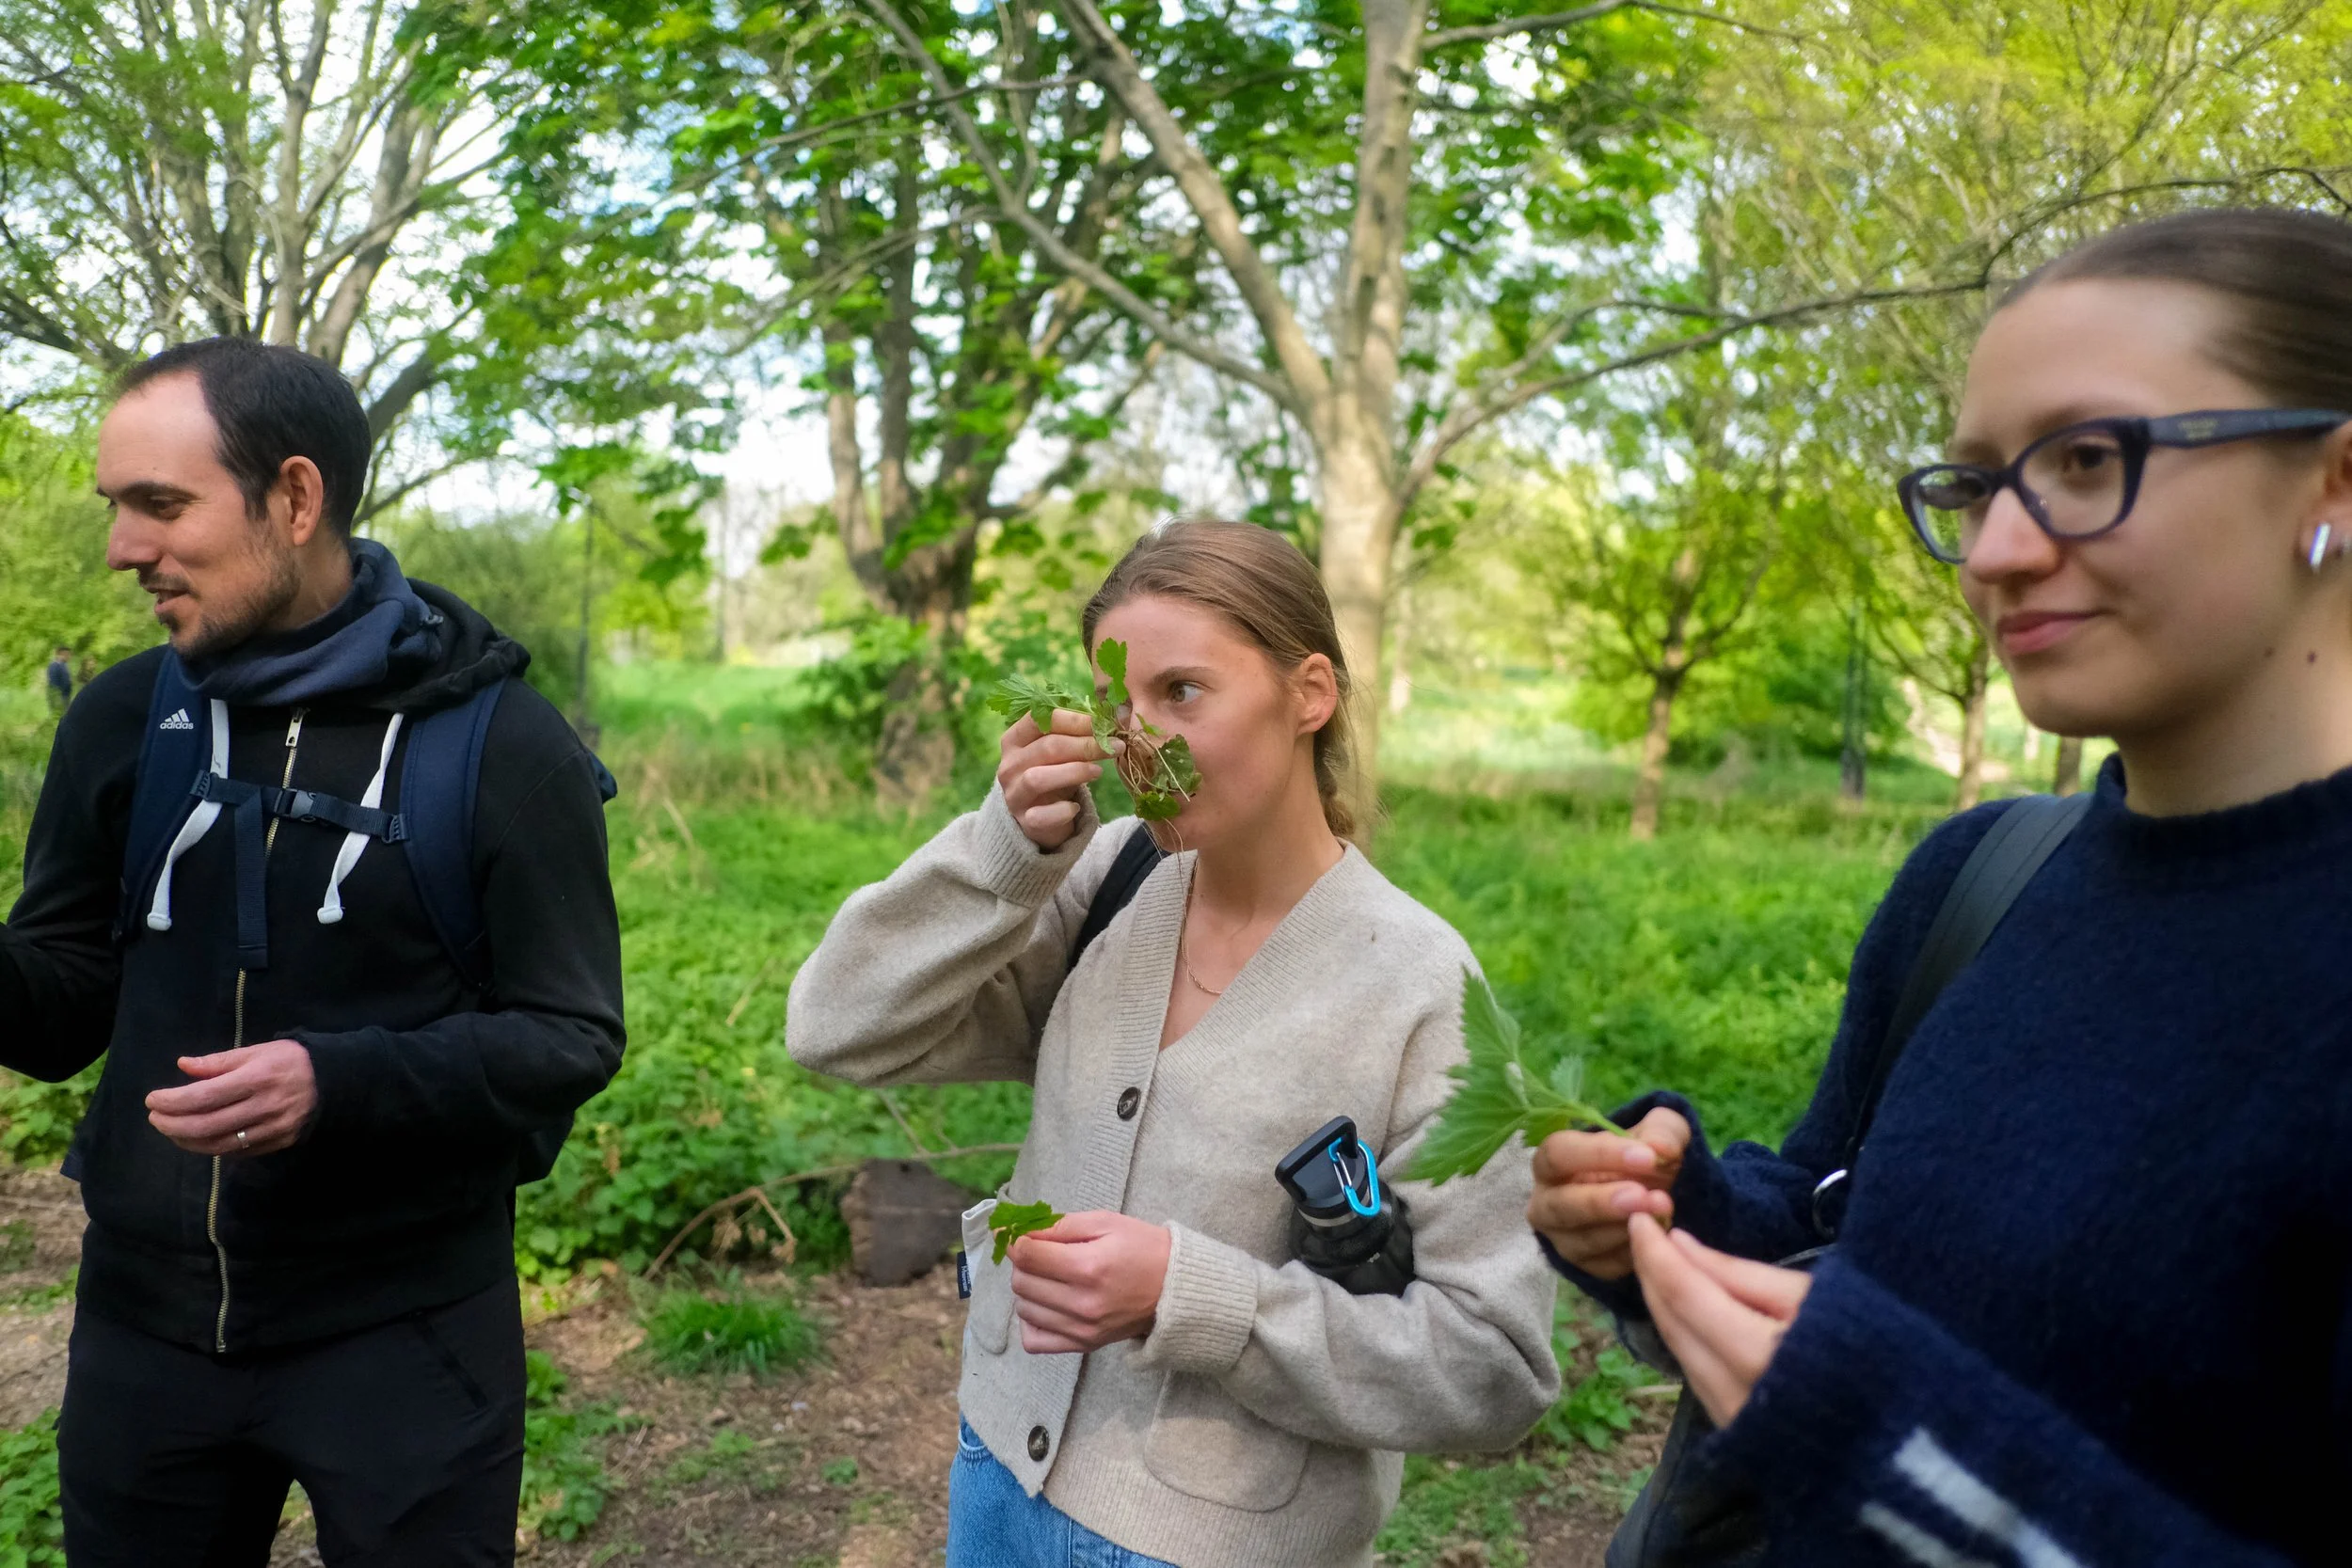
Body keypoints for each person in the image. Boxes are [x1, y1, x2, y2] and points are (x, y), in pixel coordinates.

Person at [1529, 205, 2352, 1567]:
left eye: (2089, 460)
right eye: (1976, 485)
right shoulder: (1986, 874)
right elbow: (1831, 1215)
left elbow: (1898, 1412)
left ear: (2333, 482)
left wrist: (1893, 1443)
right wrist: (1670, 1217)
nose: (1994, 553)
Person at [788, 519, 1559, 1568]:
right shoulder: (1106, 882)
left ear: (1309, 692)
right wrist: (1003, 853)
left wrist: (1190, 1296)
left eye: (1182, 692)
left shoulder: (1415, 984)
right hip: (994, 1471)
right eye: (1118, 707)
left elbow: (1492, 1365)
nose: (1134, 740)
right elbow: (834, 1024)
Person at [0, 337, 626, 1566]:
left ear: (295, 497)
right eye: (116, 507)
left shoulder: (500, 743)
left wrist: (336, 1081)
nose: (125, 547)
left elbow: (572, 1031)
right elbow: (64, 1006)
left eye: (161, 505)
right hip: (145, 1331)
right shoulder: (125, 719)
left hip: (407, 1336)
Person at [45, 645, 73, 714]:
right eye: (67, 654)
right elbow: (54, 683)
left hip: (65, 695)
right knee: (58, 715)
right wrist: (58, 695)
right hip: (59, 696)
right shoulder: (54, 665)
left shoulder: (63, 665)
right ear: (61, 654)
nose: (69, 657)